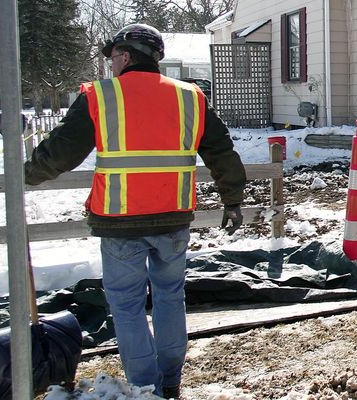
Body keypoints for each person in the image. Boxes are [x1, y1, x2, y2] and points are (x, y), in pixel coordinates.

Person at [23, 23, 246, 399]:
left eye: (112, 57)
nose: (110, 64)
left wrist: (26, 175)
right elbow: (221, 151)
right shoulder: (191, 97)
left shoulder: (100, 96)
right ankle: (170, 381)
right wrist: (232, 199)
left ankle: (146, 387)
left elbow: (61, 152)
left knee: (126, 307)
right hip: (174, 218)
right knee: (170, 297)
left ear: (126, 56)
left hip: (119, 222)